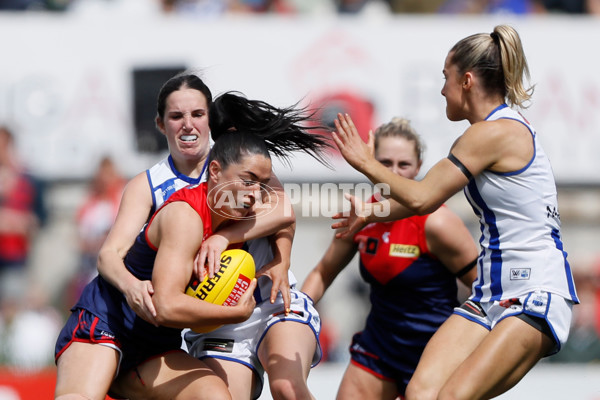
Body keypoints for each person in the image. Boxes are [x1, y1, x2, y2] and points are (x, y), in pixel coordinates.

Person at [330, 25, 579, 400]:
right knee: (420, 393)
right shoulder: (487, 133)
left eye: (445, 78)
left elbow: (421, 198)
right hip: (490, 294)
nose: (441, 89)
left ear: (466, 80)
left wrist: (367, 163)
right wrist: (371, 213)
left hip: (534, 292)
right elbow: (423, 196)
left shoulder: (493, 133)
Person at [96, 73, 329, 400]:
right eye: (177, 116)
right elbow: (109, 254)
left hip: (271, 300)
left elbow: (282, 213)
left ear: (209, 120)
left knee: (286, 388)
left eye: (197, 115)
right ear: (161, 124)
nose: (187, 125)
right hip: (216, 320)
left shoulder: (238, 161)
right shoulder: (148, 185)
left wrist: (263, 251)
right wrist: (132, 286)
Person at [301, 117, 478, 400]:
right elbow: (322, 273)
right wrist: (295, 314)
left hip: (432, 355)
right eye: (385, 163)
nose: (394, 173)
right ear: (370, 162)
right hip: (378, 350)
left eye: (404, 165)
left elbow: (485, 291)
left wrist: (468, 350)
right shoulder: (362, 214)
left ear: (419, 168)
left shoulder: (438, 223)